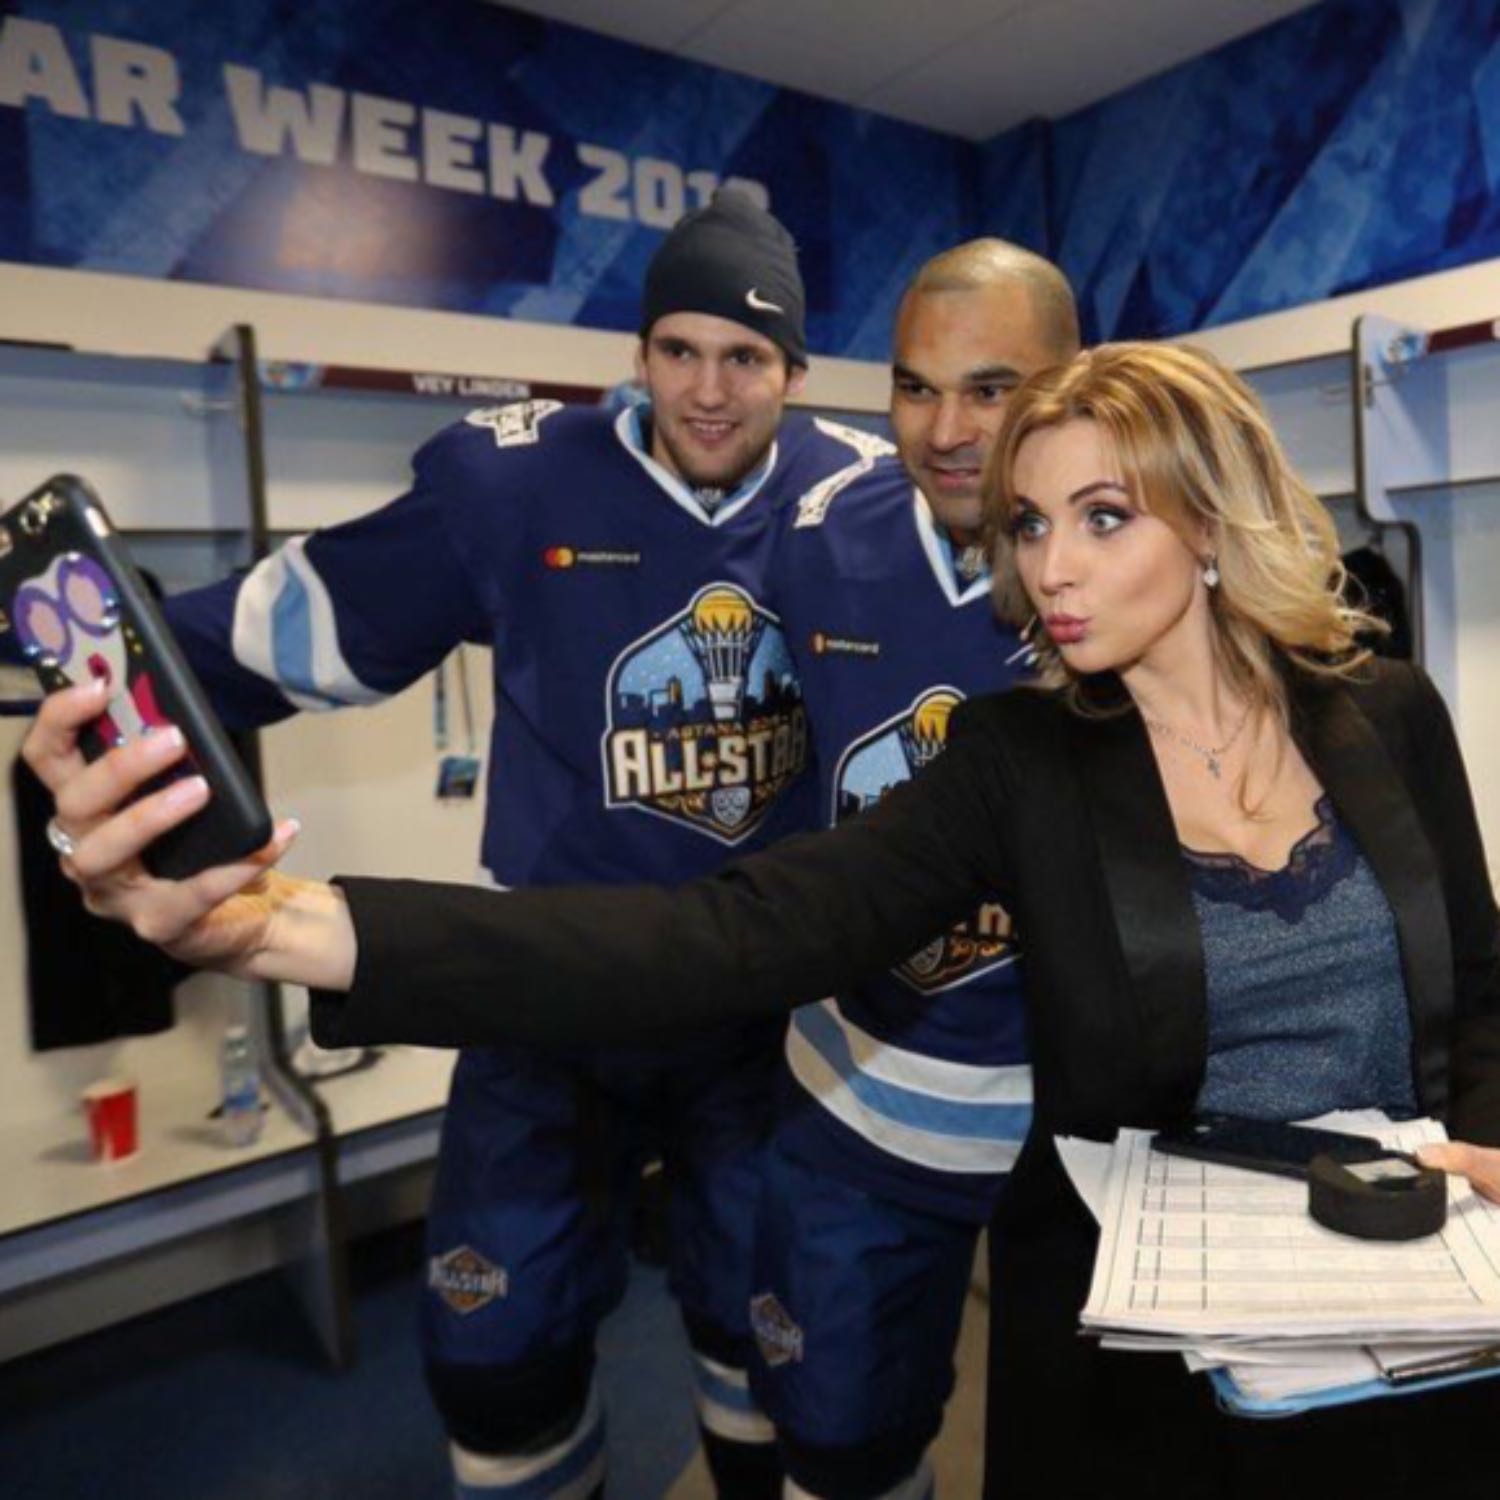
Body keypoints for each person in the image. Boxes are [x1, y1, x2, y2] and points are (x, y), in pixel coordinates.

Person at [28, 343, 1500, 1498]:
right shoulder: (1018, 765)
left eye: (1103, 518)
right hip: (1149, 1353)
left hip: (1413, 1321)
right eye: (1031, 522)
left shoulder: (1385, 714)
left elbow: (1478, 1002)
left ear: (1211, 512)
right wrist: (280, 928)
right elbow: (718, 939)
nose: (1047, 567)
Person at [155, 190, 889, 1499]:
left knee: (772, 1335)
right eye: (681, 348)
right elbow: (277, 630)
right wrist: (99, 658)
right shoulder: (517, 481)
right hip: (554, 979)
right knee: (496, 1356)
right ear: (640, 351)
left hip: (760, 985)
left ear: (796, 371)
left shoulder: (861, 497)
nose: (709, 390)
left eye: (747, 357)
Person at [751, 240, 1078, 1500]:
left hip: (1084, 1118)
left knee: (1099, 1448)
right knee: (839, 1447)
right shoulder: (819, 539)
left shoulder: (1150, 566)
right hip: (860, 1097)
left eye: (991, 389)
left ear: (1070, 382)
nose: (945, 431)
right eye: (913, 387)